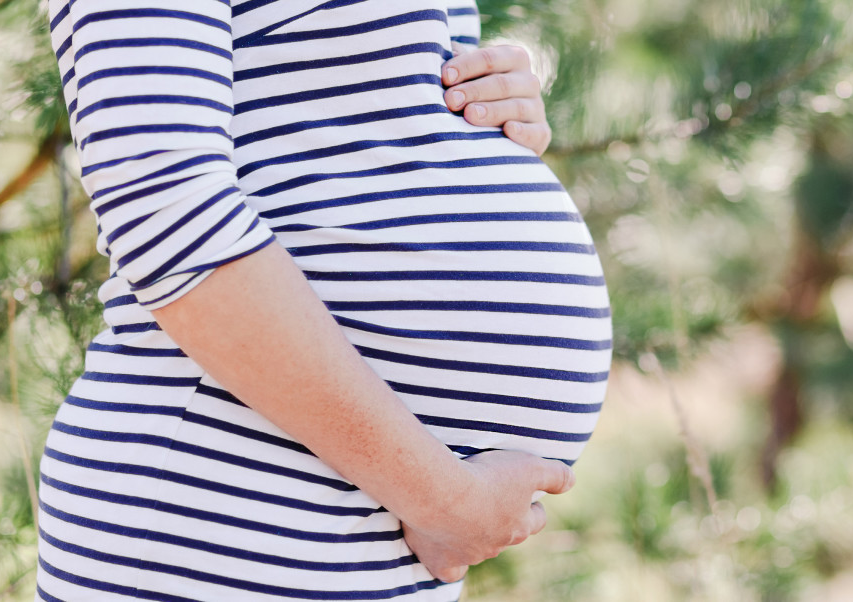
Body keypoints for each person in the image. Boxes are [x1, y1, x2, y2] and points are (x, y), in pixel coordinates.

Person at [35, 0, 612, 599]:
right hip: (225, 509)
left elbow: (376, 115)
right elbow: (162, 203)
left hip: (359, 537)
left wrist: (496, 104)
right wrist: (448, 501)